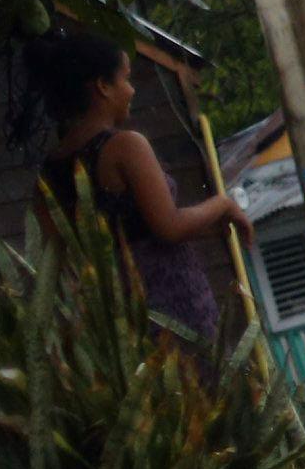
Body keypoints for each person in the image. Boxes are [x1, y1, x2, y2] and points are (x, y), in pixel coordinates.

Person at [18, 29, 243, 374]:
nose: (132, 90)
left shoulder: (48, 175)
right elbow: (169, 226)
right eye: (125, 79)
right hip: (171, 313)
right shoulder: (125, 147)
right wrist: (223, 205)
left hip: (110, 326)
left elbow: (59, 261)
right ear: (102, 87)